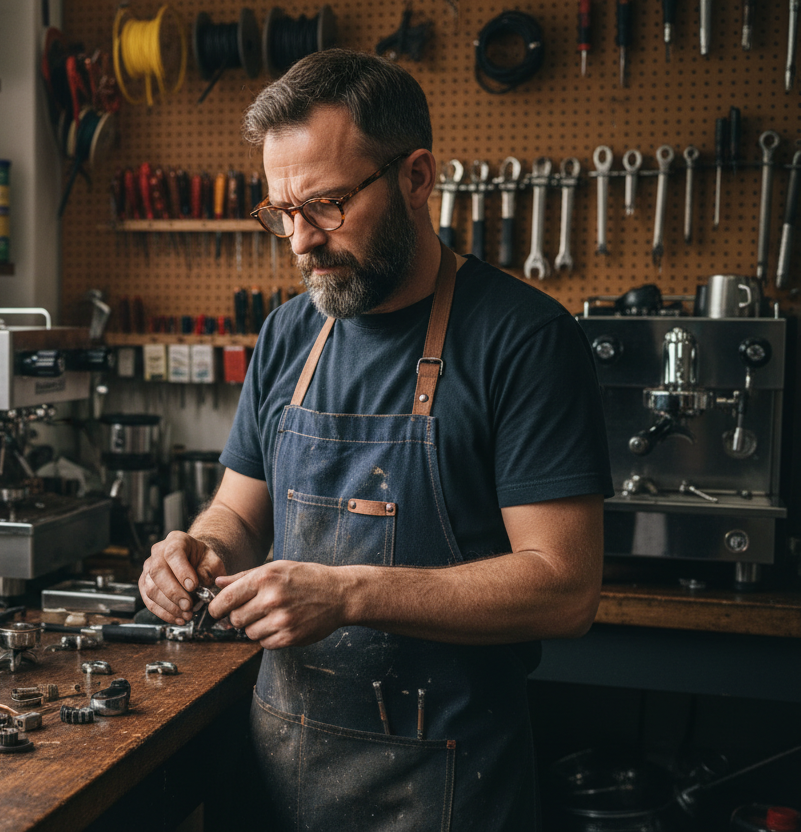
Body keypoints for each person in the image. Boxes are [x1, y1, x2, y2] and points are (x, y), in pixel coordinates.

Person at [139, 49, 612, 831]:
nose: (299, 241)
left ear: (416, 177)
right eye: (280, 213)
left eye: (326, 204)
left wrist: (348, 592)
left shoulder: (524, 340)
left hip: (445, 783)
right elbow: (239, 513)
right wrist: (198, 549)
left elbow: (565, 588)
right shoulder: (290, 333)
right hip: (280, 767)